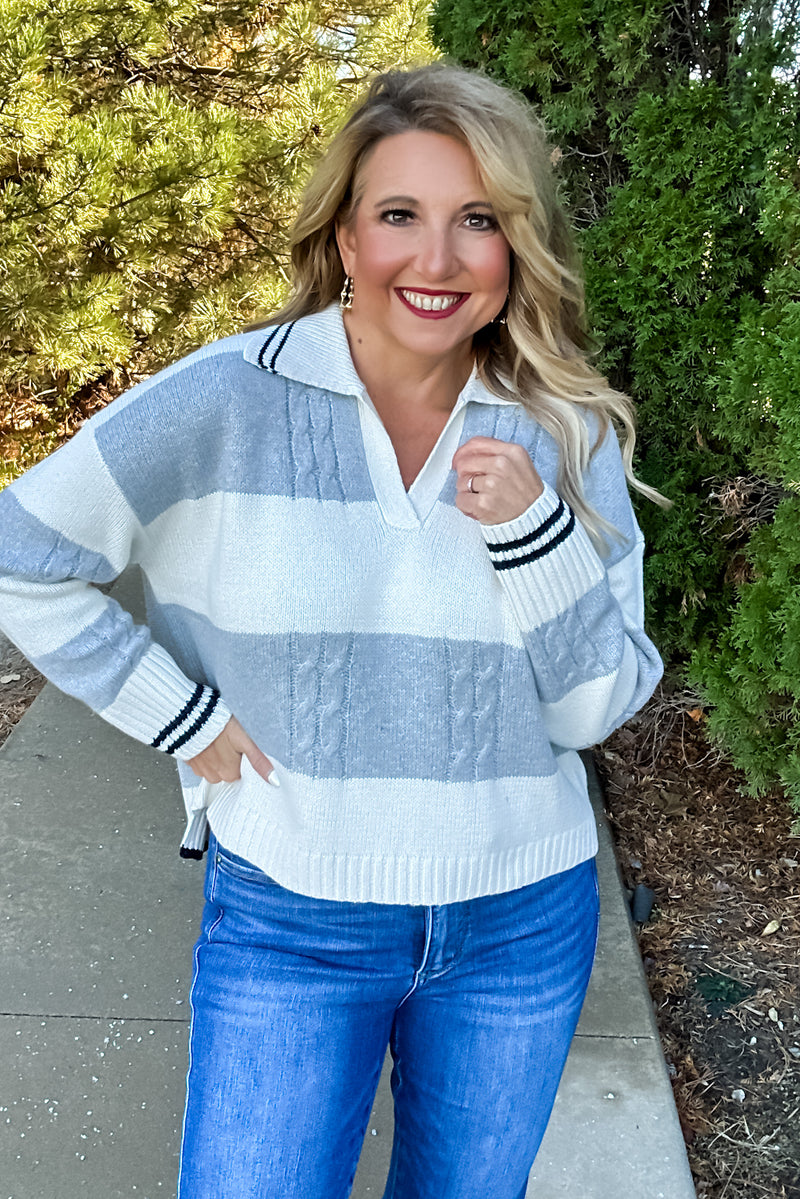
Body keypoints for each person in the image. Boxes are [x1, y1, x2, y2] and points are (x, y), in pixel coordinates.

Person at [0, 63, 664, 1199]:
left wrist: (537, 533)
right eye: (398, 215)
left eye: (479, 221)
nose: (437, 258)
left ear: (517, 248)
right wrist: (182, 716)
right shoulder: (224, 398)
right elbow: (25, 554)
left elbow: (592, 709)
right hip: (291, 913)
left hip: (519, 921)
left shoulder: (566, 425)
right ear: (346, 240)